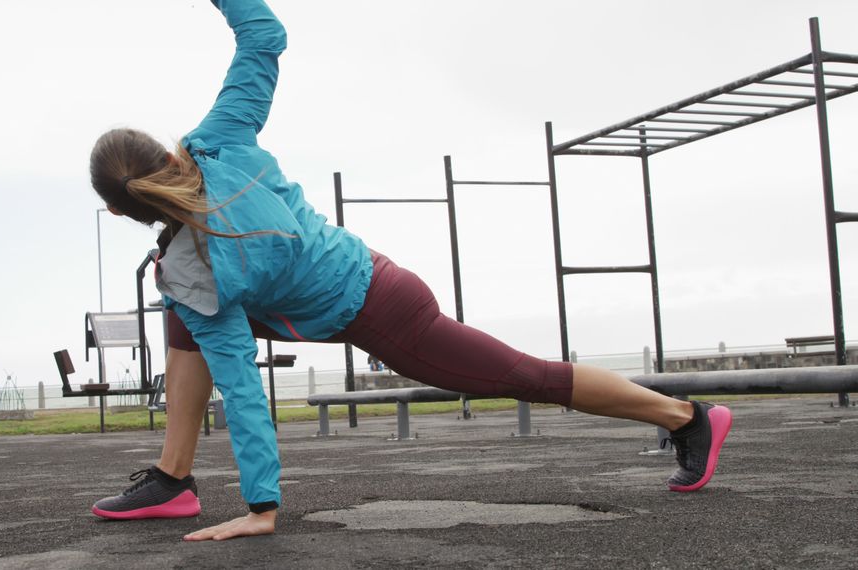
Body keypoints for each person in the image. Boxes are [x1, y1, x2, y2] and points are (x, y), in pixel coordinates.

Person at [86, 0, 732, 542]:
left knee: (526, 377)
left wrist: (262, 508)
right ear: (157, 151)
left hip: (386, 313)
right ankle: (173, 479)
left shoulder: (198, 270)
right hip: (367, 276)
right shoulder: (218, 142)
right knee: (176, 301)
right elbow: (264, 37)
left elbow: (243, 391)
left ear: (118, 212)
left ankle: (685, 417)